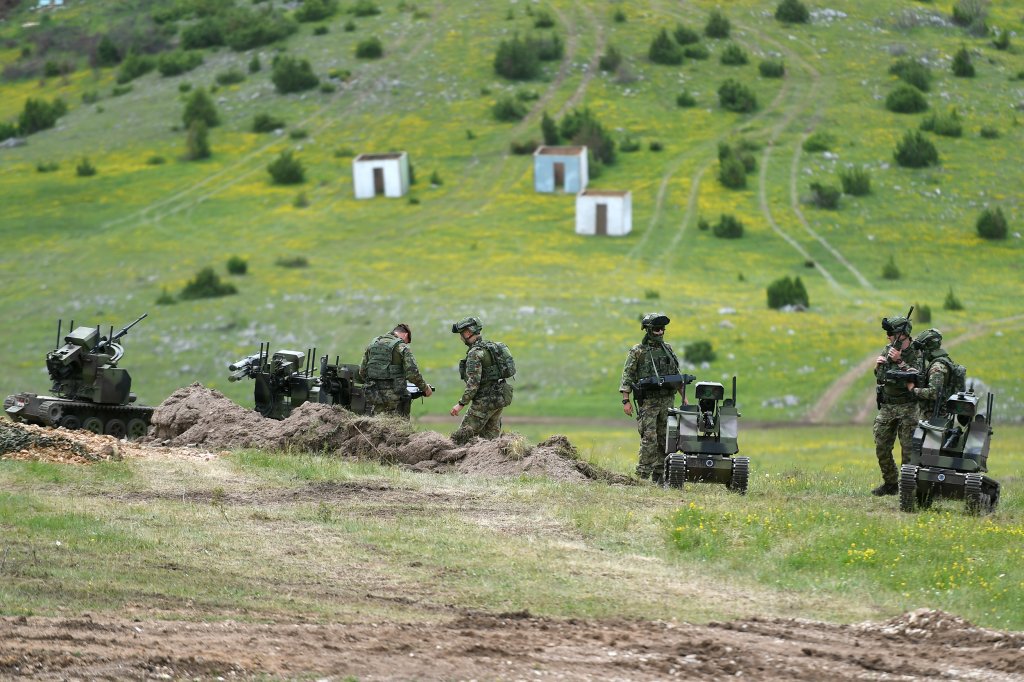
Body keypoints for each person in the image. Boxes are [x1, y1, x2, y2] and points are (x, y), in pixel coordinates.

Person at [619, 313, 687, 483]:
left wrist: (684, 398)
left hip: (667, 401)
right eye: (657, 329)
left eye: (662, 329)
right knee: (649, 439)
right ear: (648, 330)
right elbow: (627, 376)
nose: (660, 332)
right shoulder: (638, 351)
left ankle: (660, 476)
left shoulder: (668, 349)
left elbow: (676, 375)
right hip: (649, 402)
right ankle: (642, 476)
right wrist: (626, 400)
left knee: (666, 438)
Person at [871, 314, 921, 496]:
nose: (888, 337)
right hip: (888, 407)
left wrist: (900, 361)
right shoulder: (888, 350)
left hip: (908, 407)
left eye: (891, 334)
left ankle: (908, 489)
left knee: (908, 451)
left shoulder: (917, 352)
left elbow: (919, 377)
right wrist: (879, 366)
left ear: (903, 334)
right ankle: (890, 483)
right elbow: (881, 377)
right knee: (881, 446)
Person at [449, 316, 514, 445]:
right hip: (498, 399)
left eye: (462, 334)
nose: (461, 338)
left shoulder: (475, 353)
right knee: (490, 443)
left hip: (484, 402)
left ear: (468, 333)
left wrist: (461, 404)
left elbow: (473, 384)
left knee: (460, 439)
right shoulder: (491, 348)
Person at [358, 323, 431, 417]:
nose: (405, 343)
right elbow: (413, 374)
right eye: (407, 341)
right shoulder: (401, 347)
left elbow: (362, 371)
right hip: (394, 399)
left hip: (373, 395)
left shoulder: (373, 344)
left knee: (376, 421)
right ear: (406, 335)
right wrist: (425, 388)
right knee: (395, 424)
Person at [907, 328, 950, 421]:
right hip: (936, 415)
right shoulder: (943, 361)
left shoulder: (937, 367)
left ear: (927, 347)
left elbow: (934, 393)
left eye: (922, 349)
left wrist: (913, 390)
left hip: (933, 418)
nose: (921, 352)